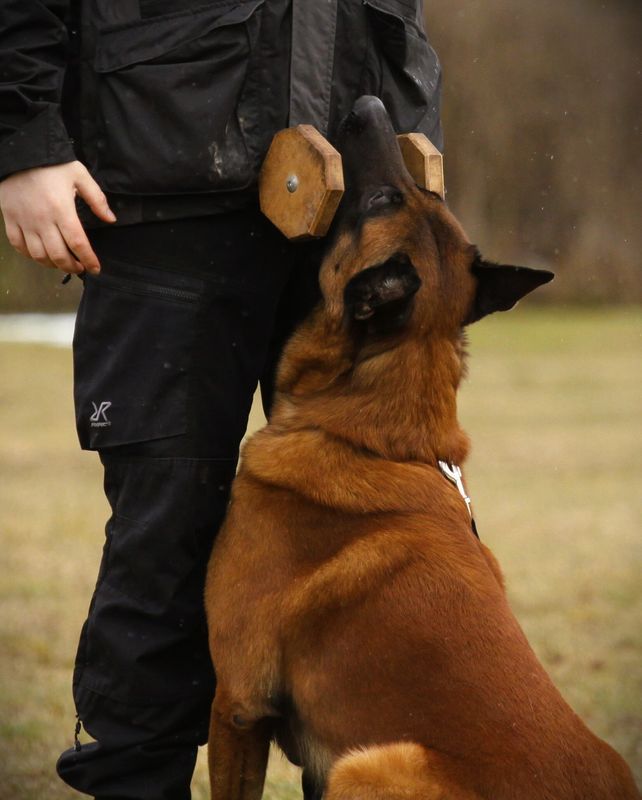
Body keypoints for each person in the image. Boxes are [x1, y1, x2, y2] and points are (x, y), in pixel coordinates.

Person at [0, 1, 443, 797]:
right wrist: (23, 137)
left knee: (381, 553)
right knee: (165, 543)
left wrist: (413, 145)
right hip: (167, 182)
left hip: (367, 194)